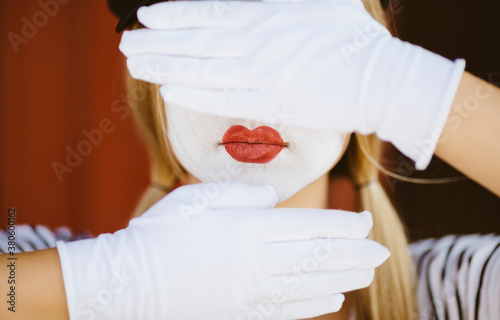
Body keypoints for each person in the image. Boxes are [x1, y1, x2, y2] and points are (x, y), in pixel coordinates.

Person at [1, 0, 499, 319]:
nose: (251, 104)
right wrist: (97, 282)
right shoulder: (37, 265)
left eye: (289, 59)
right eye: (214, 52)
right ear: (152, 90)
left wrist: (415, 89)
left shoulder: (453, 294)